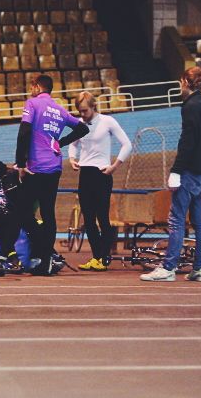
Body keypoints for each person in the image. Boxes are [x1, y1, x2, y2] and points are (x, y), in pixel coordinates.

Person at [141, 67, 201, 282]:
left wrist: (176, 171)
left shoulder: (190, 106)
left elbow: (187, 142)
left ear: (185, 82)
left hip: (189, 172)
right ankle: (200, 269)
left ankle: (168, 268)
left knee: (176, 220)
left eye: (180, 83)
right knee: (200, 221)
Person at [15, 74, 89, 275]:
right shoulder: (59, 109)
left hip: (36, 167)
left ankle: (42, 250)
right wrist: (60, 143)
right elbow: (83, 129)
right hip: (54, 166)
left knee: (22, 211)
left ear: (38, 87)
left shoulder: (32, 103)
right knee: (48, 213)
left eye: (32, 86)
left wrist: (20, 163)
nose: (30, 90)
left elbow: (24, 132)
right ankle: (46, 259)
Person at [68, 91, 132, 272]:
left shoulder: (107, 121)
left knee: (102, 218)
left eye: (85, 111)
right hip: (85, 174)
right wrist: (72, 158)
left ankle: (104, 257)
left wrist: (114, 166)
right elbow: (72, 143)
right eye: (80, 111)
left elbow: (127, 144)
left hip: (102, 173)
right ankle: (97, 257)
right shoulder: (79, 124)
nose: (82, 114)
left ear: (93, 106)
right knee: (88, 219)